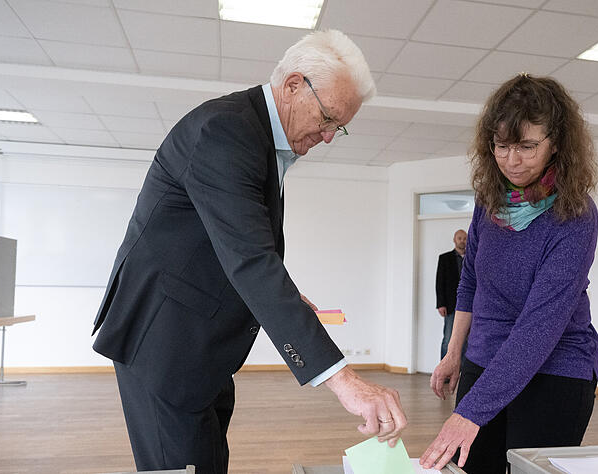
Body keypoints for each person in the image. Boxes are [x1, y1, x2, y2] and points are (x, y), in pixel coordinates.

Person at [91, 30, 407, 474]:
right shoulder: (226, 131)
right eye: (328, 118)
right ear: (294, 85)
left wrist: (289, 301)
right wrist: (344, 380)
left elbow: (227, 247)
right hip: (166, 346)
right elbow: (252, 261)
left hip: (203, 346)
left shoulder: (256, 137)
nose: (329, 137)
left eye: (339, 127)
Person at [420, 73, 598, 473]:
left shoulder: (575, 215)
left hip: (555, 368)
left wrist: (470, 413)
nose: (512, 160)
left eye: (527, 147)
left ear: (556, 143)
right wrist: (454, 353)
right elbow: (470, 281)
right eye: (501, 146)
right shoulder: (489, 201)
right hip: (483, 358)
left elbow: (540, 326)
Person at [436, 229, 467, 360]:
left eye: (464, 238)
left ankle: (462, 370)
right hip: (450, 305)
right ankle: (444, 369)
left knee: (466, 340)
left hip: (469, 306)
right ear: (454, 240)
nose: (462, 241)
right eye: (459, 238)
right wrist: (441, 304)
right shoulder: (444, 258)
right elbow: (439, 282)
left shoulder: (473, 258)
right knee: (448, 338)